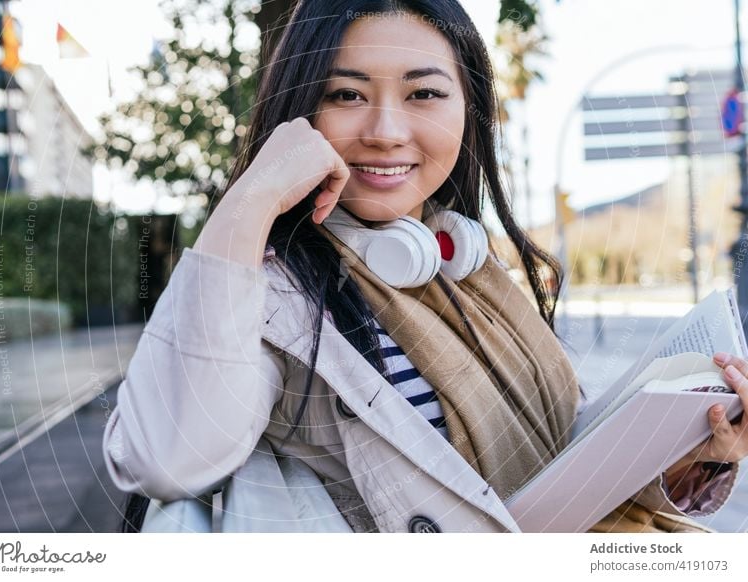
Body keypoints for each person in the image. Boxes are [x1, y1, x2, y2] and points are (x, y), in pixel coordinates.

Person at [103, 0, 748, 533]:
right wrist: (248, 202)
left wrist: (686, 456)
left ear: (467, 111)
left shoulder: (472, 268)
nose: (386, 130)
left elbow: (560, 461)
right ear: (301, 111)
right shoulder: (274, 295)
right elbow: (167, 457)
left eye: (424, 93)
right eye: (346, 94)